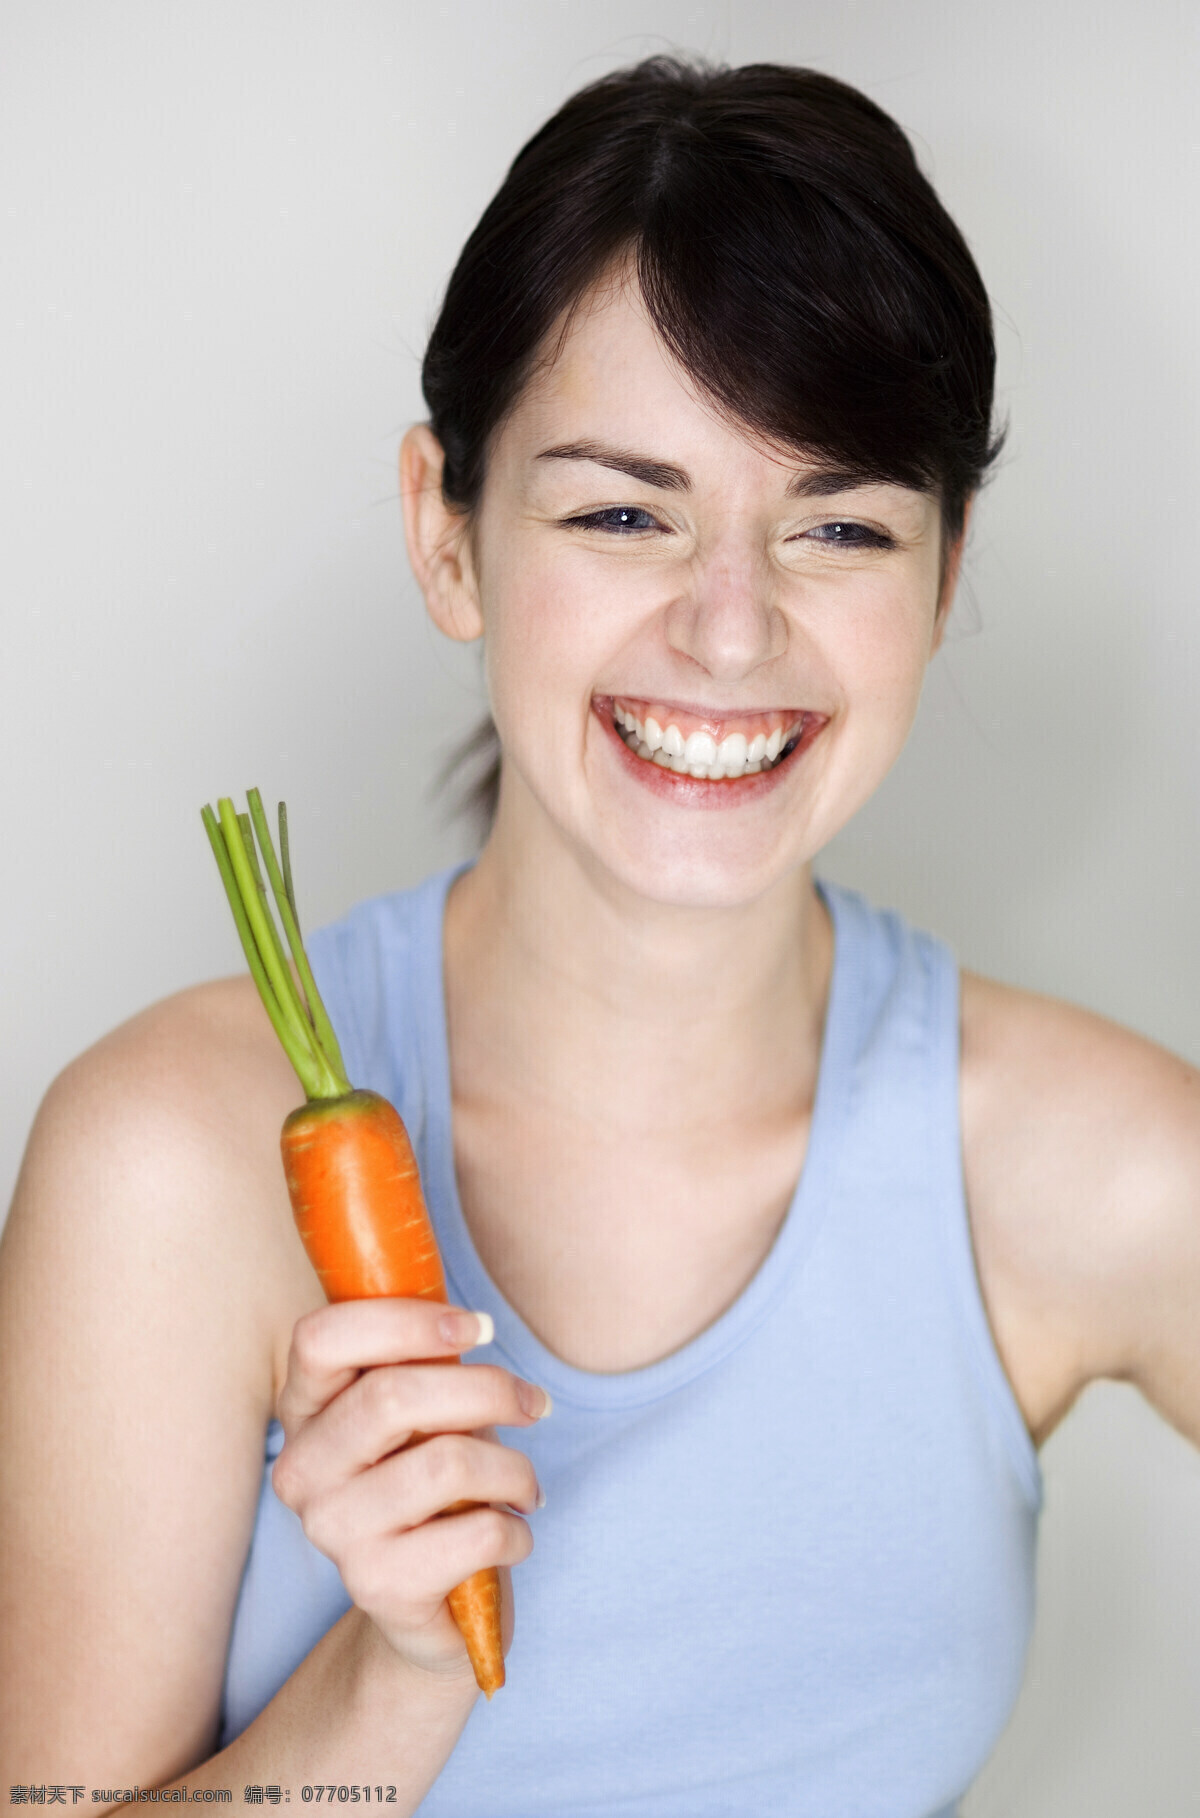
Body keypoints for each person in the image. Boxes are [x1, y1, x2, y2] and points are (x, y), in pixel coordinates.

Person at [2, 54, 1197, 1817]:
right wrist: (392, 1676)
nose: (730, 631)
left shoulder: (1095, 1168)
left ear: (943, 585)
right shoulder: (167, 1164)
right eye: (624, 511)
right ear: (449, 534)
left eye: (843, 524)